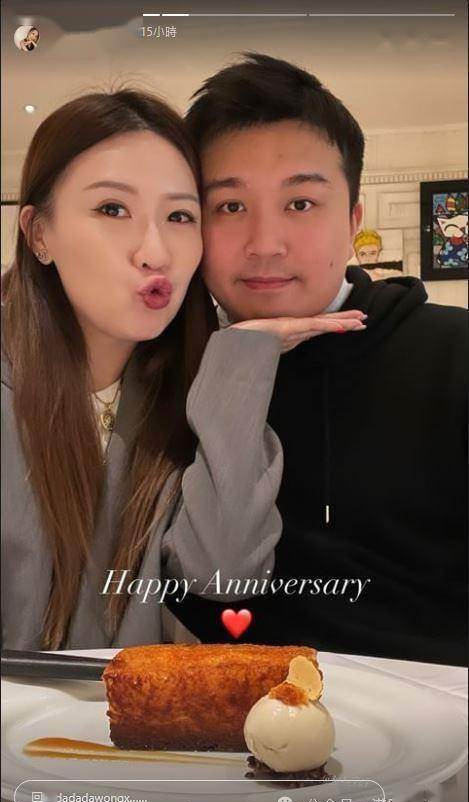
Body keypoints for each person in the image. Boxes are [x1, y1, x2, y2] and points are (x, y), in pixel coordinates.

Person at [1, 87, 364, 652]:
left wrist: (239, 360)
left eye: (179, 216)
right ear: (38, 233)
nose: (155, 252)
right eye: (112, 209)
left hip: (122, 711)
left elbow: (225, 578)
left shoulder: (183, 390)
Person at [168, 53, 467, 665]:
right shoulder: (163, 370)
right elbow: (210, 587)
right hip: (228, 710)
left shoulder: (453, 356)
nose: (265, 244)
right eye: (230, 206)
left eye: (300, 203)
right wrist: (238, 369)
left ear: (353, 220)